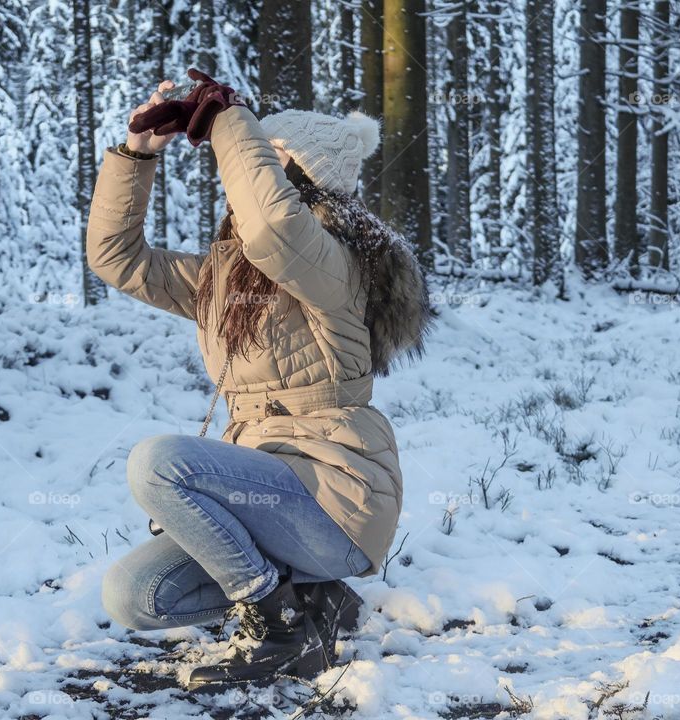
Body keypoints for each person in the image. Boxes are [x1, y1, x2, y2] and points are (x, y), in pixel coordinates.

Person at [87, 69, 431, 692]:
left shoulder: (338, 265)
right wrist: (136, 157)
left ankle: (279, 625)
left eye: (268, 158)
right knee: (135, 596)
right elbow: (118, 260)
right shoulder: (228, 278)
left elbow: (274, 228)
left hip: (336, 499)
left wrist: (229, 118)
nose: (246, 171)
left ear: (307, 177)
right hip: (266, 496)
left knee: (158, 463)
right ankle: (315, 599)